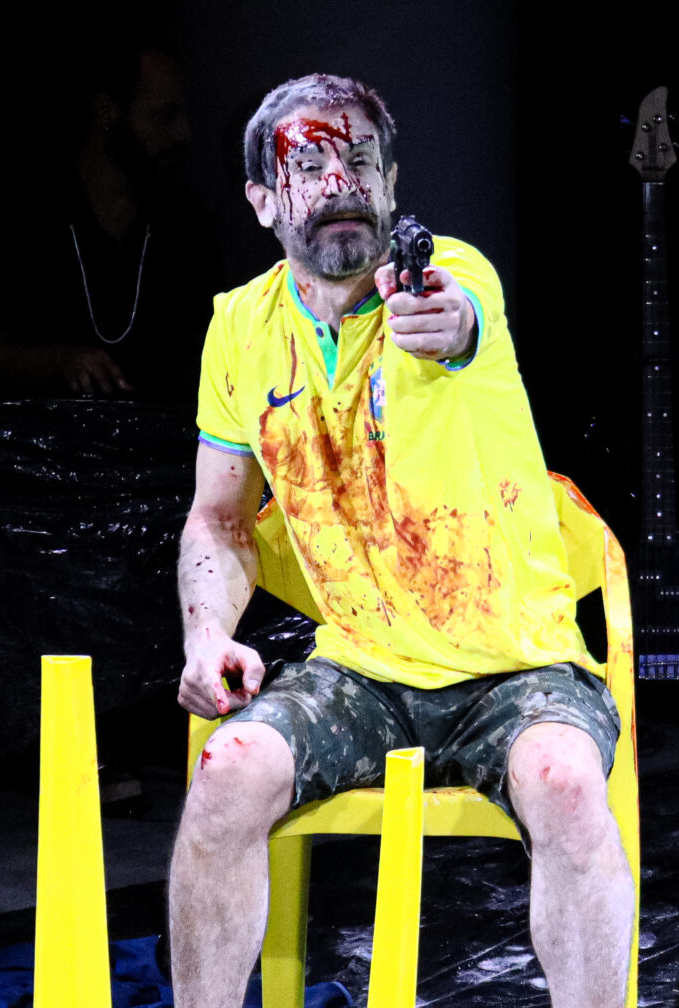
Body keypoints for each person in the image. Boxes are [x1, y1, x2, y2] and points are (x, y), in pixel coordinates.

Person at [167, 73, 633, 1008]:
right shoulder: (241, 330)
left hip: (518, 666)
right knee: (224, 777)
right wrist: (207, 635)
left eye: (361, 160)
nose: (341, 181)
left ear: (390, 183)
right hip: (361, 670)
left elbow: (461, 317)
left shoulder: (452, 276)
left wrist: (445, 323)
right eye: (310, 166)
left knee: (568, 784)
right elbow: (220, 518)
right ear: (261, 201)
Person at [0, 44, 225, 401]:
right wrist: (58, 361)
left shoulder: (184, 220)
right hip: (41, 432)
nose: (183, 133)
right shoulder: (21, 215)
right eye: (164, 116)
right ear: (106, 111)